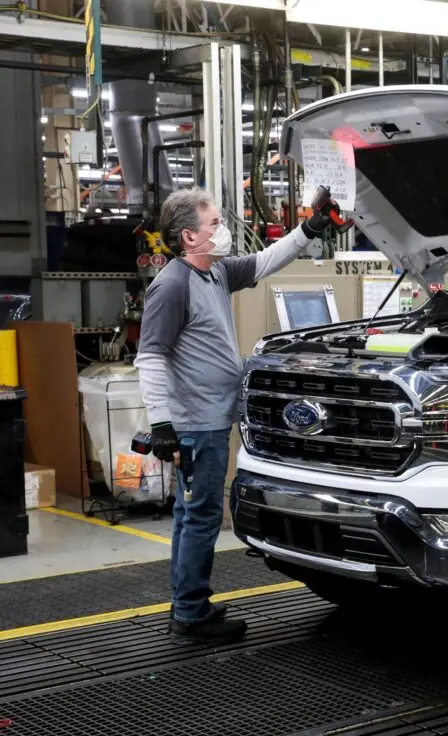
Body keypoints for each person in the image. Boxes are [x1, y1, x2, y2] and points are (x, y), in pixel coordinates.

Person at [134, 187, 336, 643]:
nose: (223, 231)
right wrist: (162, 424)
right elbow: (149, 358)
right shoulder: (172, 285)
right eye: (214, 224)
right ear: (189, 236)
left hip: (211, 418)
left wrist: (308, 229)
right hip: (195, 424)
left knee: (192, 515)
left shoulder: (216, 273)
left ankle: (187, 605)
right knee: (201, 516)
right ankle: (191, 614)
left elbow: (266, 261)